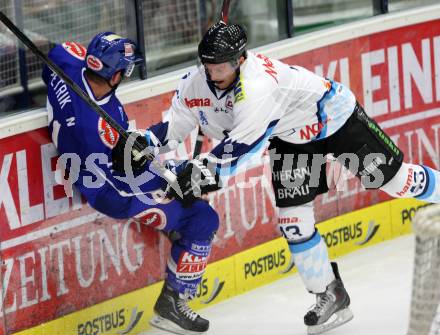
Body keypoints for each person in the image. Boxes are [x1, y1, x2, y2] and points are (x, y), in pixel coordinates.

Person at [145, 21, 440, 334]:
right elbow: (171, 130)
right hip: (291, 136)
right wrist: (143, 140)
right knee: (293, 222)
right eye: (208, 66)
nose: (213, 75)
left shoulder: (259, 87)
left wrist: (199, 173)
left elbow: (241, 150)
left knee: (397, 184)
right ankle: (330, 292)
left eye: (221, 68)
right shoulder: (195, 82)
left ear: (240, 60)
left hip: (336, 118)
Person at [42, 32, 218, 335]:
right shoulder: (93, 128)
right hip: (109, 192)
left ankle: (176, 222)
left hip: (114, 169)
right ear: (115, 75)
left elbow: (50, 52)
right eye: (126, 68)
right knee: (202, 218)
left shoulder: (68, 61)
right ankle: (171, 305)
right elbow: (117, 184)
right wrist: (170, 183)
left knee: (187, 196)